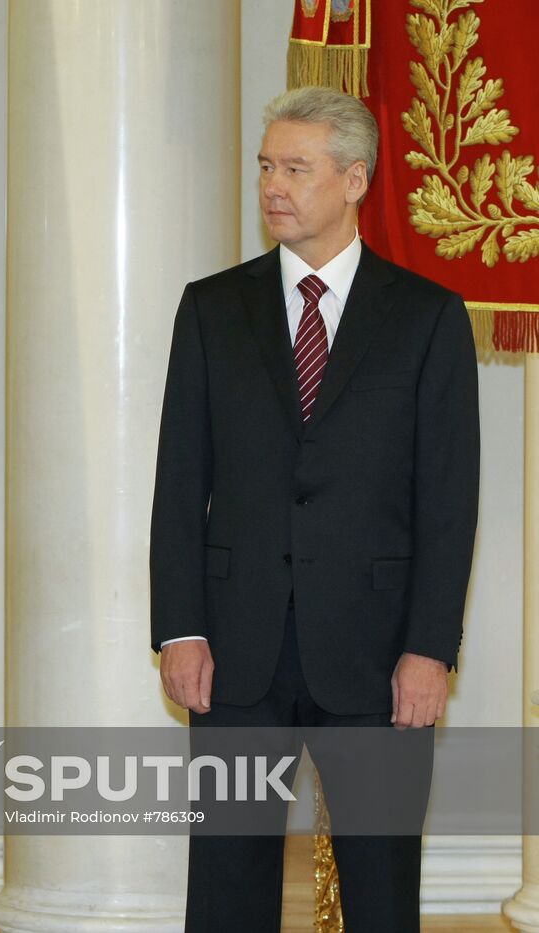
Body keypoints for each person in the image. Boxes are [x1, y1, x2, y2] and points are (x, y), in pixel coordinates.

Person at [149, 87, 479, 931]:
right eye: (266, 166)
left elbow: (448, 500)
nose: (273, 185)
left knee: (380, 890)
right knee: (227, 885)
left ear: (355, 178)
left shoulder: (428, 318)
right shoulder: (212, 309)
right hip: (233, 652)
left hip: (378, 659)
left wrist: (429, 648)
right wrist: (179, 627)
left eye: (296, 167)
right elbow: (181, 481)